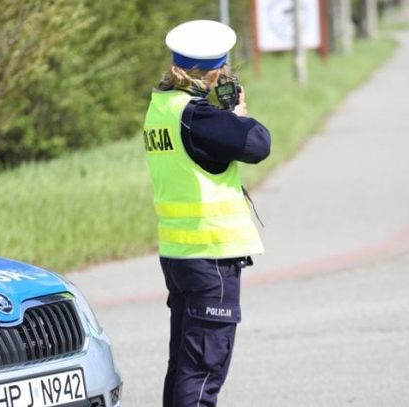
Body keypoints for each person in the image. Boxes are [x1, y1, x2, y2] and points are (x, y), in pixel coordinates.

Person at [143, 20, 271, 407]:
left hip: (180, 255)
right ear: (216, 71)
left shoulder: (162, 107)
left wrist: (225, 116)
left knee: (184, 365)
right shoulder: (198, 118)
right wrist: (239, 114)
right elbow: (257, 143)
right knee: (202, 372)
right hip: (211, 258)